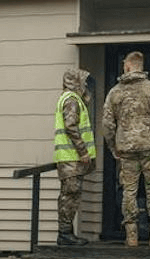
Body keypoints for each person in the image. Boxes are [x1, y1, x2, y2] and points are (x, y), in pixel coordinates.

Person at [102, 51, 150, 248]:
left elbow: (107, 124)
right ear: (141, 67)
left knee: (129, 190)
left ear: (126, 67)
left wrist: (113, 146)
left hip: (126, 147)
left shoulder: (114, 92)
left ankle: (131, 236)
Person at [53, 68, 96, 246]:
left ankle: (67, 233)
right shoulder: (71, 100)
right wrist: (83, 151)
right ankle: (65, 235)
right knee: (69, 195)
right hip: (71, 158)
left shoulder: (71, 99)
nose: (86, 87)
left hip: (70, 159)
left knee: (71, 195)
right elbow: (71, 127)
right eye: (84, 82)